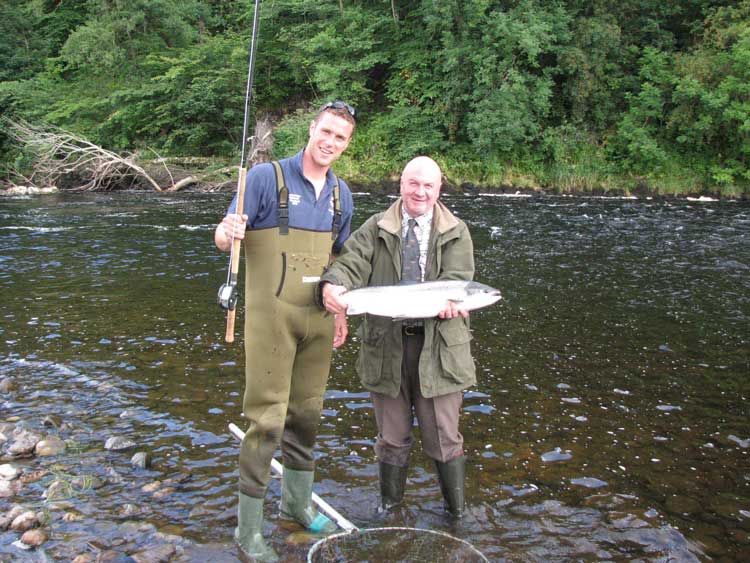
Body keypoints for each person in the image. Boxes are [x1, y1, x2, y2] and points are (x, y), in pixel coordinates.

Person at [214, 101, 356, 562]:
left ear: (346, 144)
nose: (330, 142)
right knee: (267, 422)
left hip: (317, 320)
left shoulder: (342, 196)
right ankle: (247, 531)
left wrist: (341, 311)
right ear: (311, 130)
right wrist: (228, 228)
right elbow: (222, 237)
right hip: (269, 319)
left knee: (307, 417)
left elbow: (340, 262)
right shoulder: (263, 179)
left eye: (340, 137)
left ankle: (296, 505)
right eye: (326, 132)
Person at [318, 156, 475, 519]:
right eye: (413, 183)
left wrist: (453, 305)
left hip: (439, 350)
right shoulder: (376, 227)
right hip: (386, 347)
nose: (420, 192)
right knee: (392, 437)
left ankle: (457, 514)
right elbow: (350, 262)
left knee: (444, 437)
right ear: (401, 184)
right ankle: (389, 509)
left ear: (439, 189)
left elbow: (458, 278)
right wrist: (332, 285)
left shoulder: (457, 231)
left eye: (429, 186)